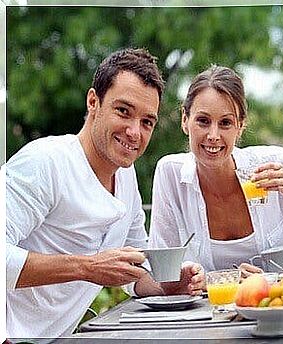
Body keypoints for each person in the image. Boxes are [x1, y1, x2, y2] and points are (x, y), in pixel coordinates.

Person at [5, 48, 204, 340]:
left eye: (147, 121)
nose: (135, 132)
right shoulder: (45, 162)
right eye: (123, 111)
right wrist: (88, 266)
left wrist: (168, 284)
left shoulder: (125, 175)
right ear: (93, 102)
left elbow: (135, 271)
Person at [148, 65, 283, 274]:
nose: (213, 135)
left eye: (225, 123)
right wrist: (226, 279)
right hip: (212, 306)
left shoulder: (275, 163)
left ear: (240, 126)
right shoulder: (170, 174)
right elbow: (162, 269)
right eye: (203, 121)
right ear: (185, 120)